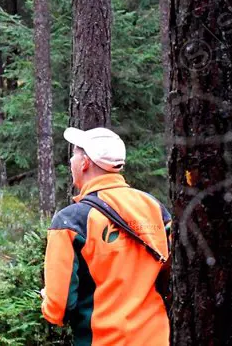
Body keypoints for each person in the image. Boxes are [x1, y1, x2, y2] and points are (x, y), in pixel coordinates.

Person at [40, 127, 171, 345]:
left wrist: (47, 301)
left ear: (84, 163)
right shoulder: (155, 208)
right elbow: (171, 277)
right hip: (157, 338)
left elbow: (58, 309)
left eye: (73, 154)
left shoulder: (70, 222)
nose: (70, 161)